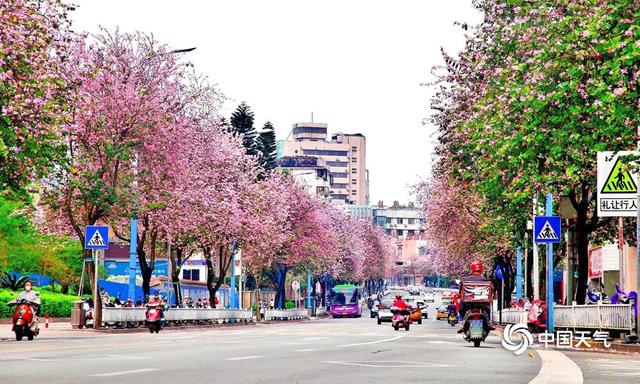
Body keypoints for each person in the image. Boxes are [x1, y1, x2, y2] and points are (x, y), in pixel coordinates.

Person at [457, 261, 494, 333]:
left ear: (472, 269)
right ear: (481, 269)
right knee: (488, 309)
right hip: (483, 303)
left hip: (468, 303)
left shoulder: (465, 279)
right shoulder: (486, 280)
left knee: (461, 307)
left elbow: (460, 292)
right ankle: (489, 322)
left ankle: (462, 322)